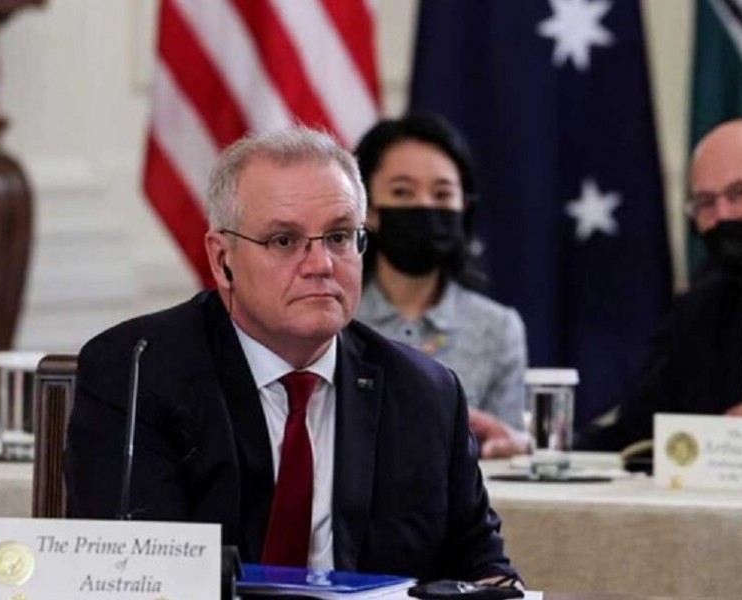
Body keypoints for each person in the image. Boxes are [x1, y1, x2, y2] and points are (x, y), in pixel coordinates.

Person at [65, 127, 519, 584]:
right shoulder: (139, 370)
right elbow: (133, 574)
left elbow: (482, 567)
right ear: (223, 260)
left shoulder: (425, 392)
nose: (321, 264)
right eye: (284, 241)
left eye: (340, 237)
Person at [579, 118, 742, 451]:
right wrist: (537, 447)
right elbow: (635, 433)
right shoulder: (699, 312)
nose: (723, 216)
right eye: (706, 203)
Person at [353, 113, 528, 458]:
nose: (424, 206)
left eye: (442, 193)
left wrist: (514, 445)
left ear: (463, 206)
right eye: (402, 192)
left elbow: (507, 451)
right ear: (368, 209)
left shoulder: (497, 328)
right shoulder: (334, 316)